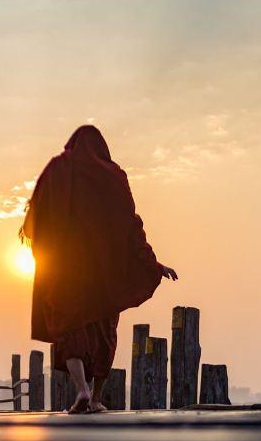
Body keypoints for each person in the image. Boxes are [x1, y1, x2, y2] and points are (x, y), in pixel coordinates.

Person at [20, 125, 177, 414]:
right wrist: (153, 265)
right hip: (104, 274)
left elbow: (36, 214)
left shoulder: (58, 168)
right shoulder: (114, 176)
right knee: (105, 334)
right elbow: (130, 225)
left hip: (66, 272)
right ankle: (96, 398)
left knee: (69, 330)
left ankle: (81, 388)